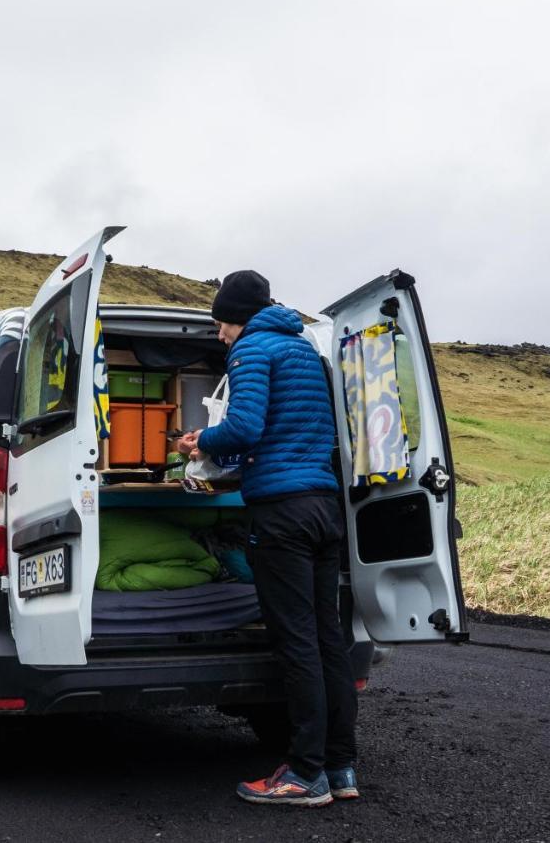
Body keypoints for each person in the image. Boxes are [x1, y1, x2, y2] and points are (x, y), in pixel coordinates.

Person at [177, 270, 358, 807]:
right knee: (329, 641)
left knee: (296, 641)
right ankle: (341, 766)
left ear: (235, 317)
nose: (219, 336)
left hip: (282, 514)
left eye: (219, 325)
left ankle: (304, 775)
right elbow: (290, 431)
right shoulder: (305, 350)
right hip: (324, 507)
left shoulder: (252, 350)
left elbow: (245, 427)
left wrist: (200, 441)